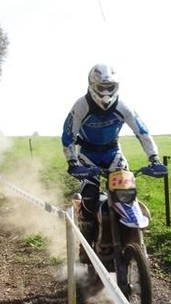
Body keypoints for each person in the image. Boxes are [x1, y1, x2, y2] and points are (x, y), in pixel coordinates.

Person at [62, 63, 164, 255]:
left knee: (126, 193)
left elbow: (142, 132)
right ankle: (85, 245)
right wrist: (73, 162)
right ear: (92, 86)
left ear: (117, 87)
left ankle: (129, 234)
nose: (106, 92)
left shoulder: (123, 107)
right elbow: (68, 134)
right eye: (102, 87)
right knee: (90, 197)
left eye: (110, 87)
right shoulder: (81, 105)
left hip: (113, 153)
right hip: (87, 155)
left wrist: (154, 158)